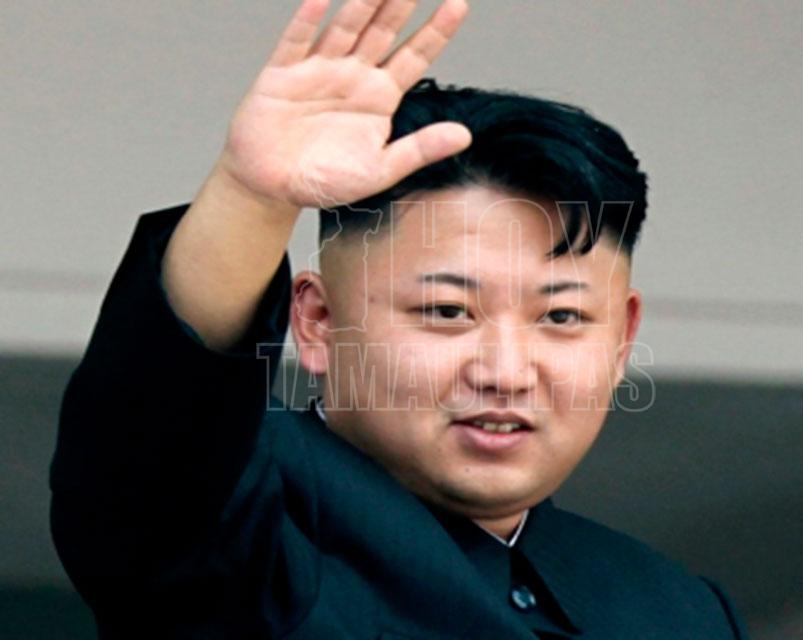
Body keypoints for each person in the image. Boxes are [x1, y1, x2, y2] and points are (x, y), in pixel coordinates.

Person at [50, 0, 750, 637]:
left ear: (622, 339)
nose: (506, 372)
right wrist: (250, 198)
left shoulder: (677, 609)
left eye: (562, 315)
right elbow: (156, 443)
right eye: (447, 310)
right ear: (319, 321)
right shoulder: (245, 522)